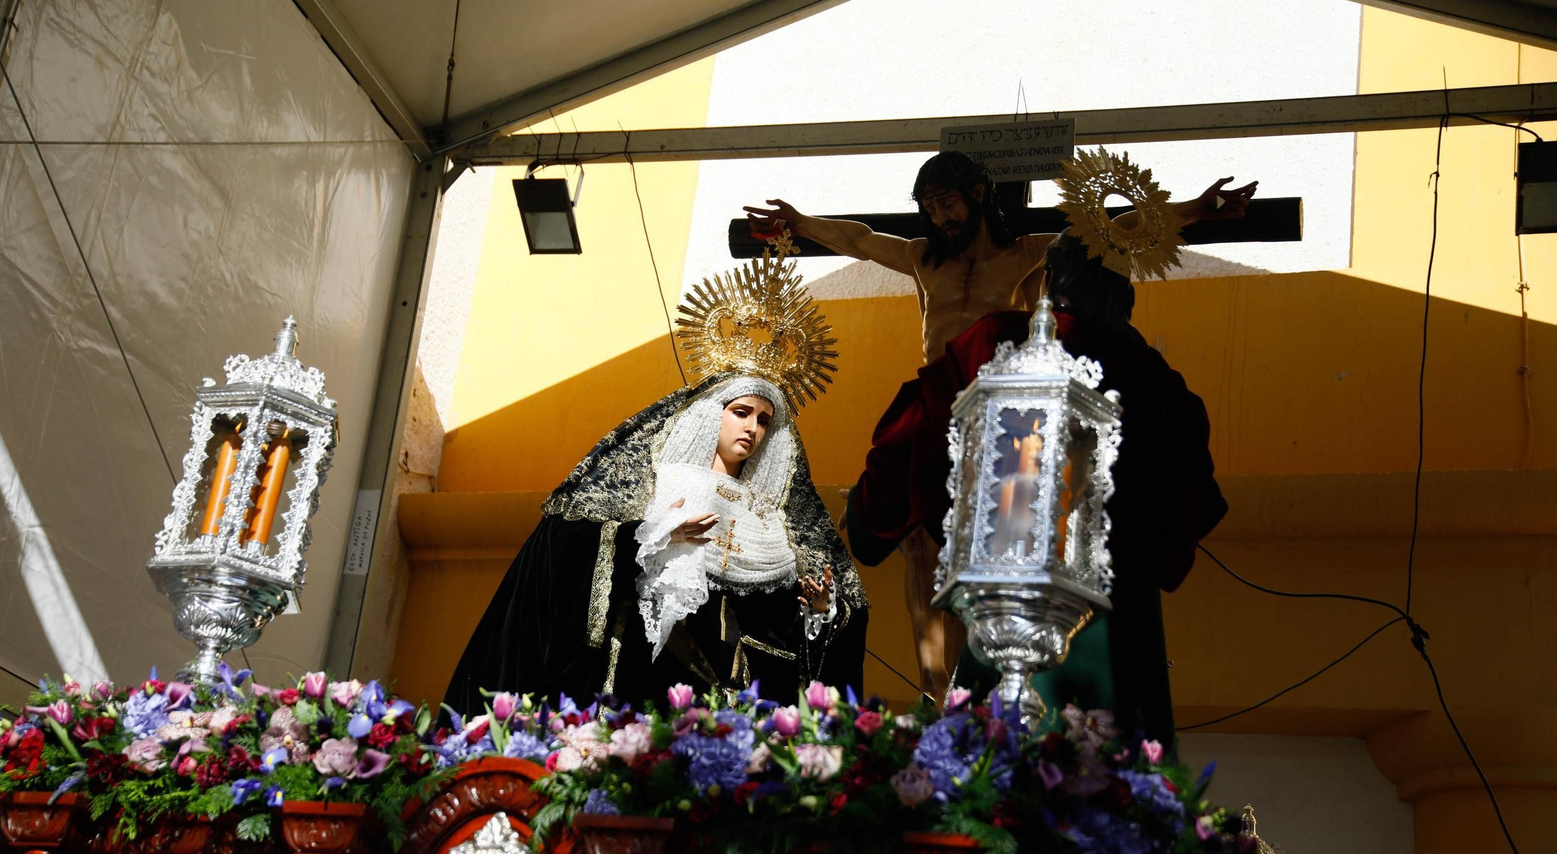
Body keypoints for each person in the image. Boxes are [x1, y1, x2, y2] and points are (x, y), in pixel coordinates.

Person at [745, 150, 1252, 693]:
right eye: (931, 207)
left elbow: (1113, 229)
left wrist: (1197, 210)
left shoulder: (1029, 255)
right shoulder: (923, 259)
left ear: (979, 194)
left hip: (998, 408)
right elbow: (861, 239)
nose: (941, 217)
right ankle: (939, 681)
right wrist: (798, 224)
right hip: (938, 405)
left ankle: (994, 663)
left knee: (991, 536)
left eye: (949, 202)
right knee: (919, 535)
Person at [445, 246, 867, 715]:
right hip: (652, 679)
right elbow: (570, 549)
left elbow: (775, 626)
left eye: (764, 421)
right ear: (712, 416)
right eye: (741, 412)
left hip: (737, 702)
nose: (752, 428)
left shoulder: (770, 518)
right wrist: (658, 539)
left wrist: (819, 610)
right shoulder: (658, 483)